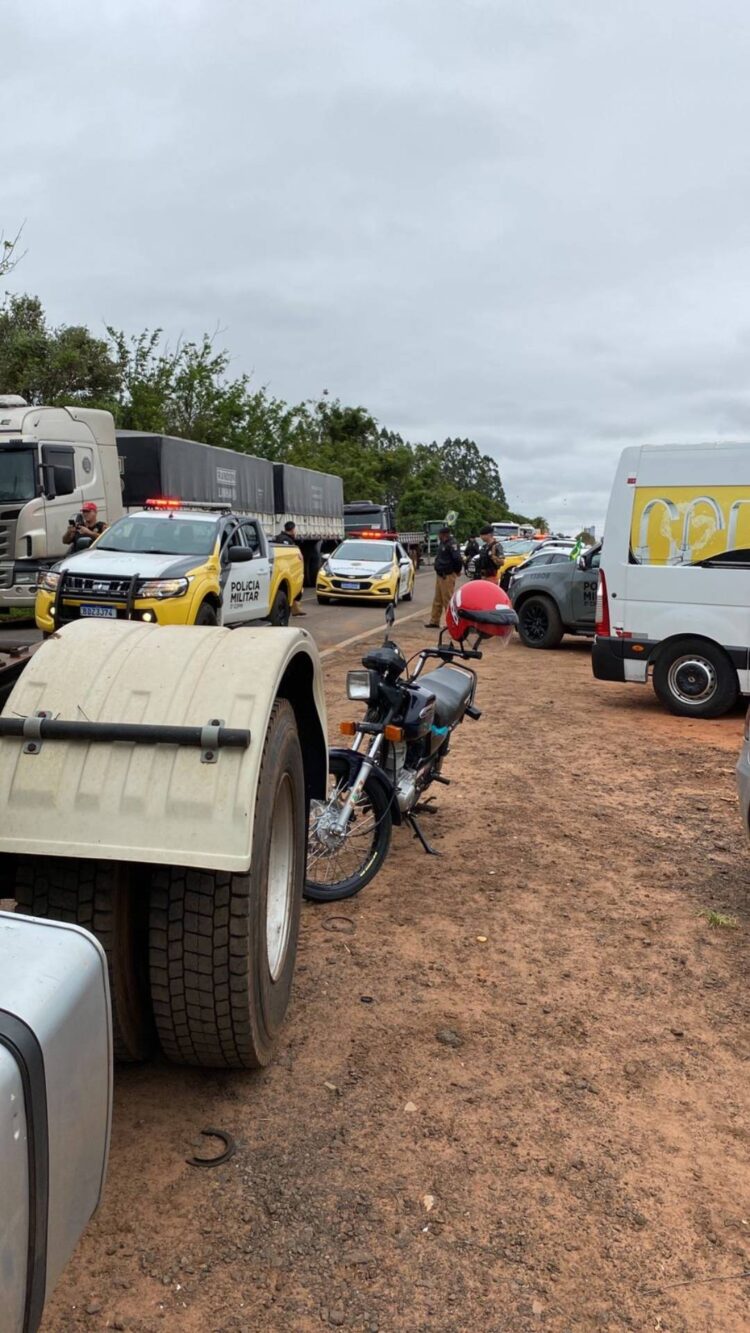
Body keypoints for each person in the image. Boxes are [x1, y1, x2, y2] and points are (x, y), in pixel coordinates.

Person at [425, 527, 463, 628]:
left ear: (444, 534)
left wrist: (457, 571)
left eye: (440, 534)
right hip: (440, 574)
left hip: (447, 575)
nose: (438, 536)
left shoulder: (452, 544)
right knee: (437, 599)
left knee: (448, 600)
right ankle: (434, 621)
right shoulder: (443, 543)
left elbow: (457, 559)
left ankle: (451, 622)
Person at [274, 520, 306, 616]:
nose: (295, 531)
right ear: (292, 530)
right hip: (289, 568)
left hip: (280, 568)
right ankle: (294, 609)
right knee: (296, 587)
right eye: (295, 529)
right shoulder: (288, 541)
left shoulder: (278, 537)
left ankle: (294, 608)